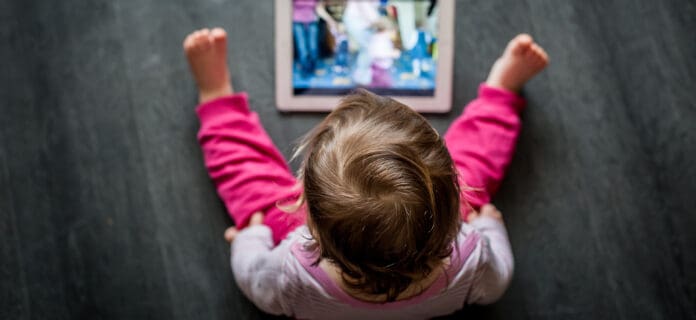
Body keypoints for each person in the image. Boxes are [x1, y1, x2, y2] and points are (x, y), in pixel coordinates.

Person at [183, 28, 548, 318]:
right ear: (455, 201)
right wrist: (488, 226)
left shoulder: (292, 273)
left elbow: (253, 276)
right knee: (477, 162)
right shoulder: (471, 257)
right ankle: (501, 94)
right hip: (440, 254)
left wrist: (252, 238)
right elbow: (498, 281)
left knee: (254, 190)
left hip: (323, 276)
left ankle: (216, 95)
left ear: (306, 214)